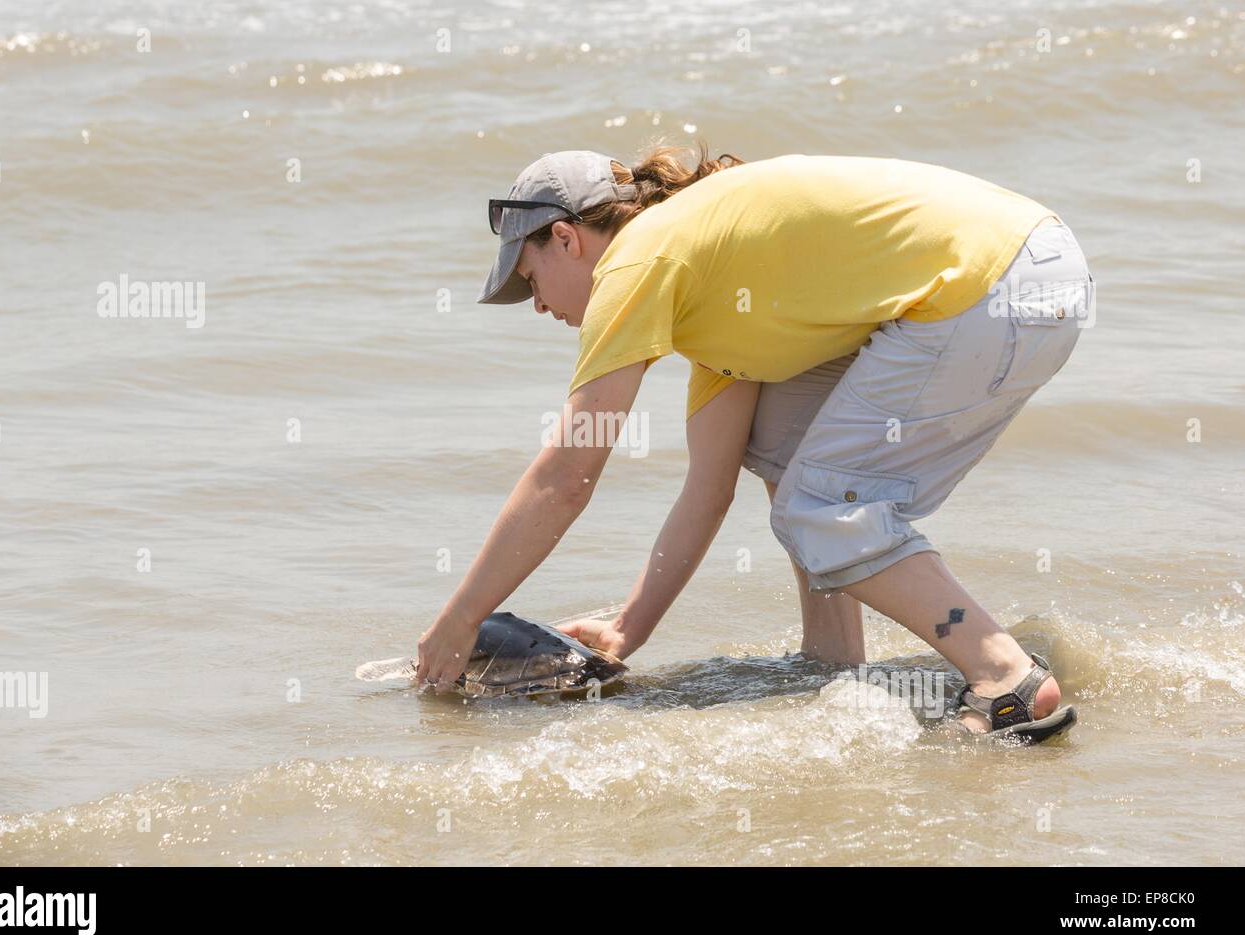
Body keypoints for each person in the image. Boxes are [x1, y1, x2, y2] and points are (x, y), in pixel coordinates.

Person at [416, 145, 1093, 741]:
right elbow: (708, 490)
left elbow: (567, 476)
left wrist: (461, 618)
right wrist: (629, 628)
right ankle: (833, 658)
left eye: (529, 279)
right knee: (780, 452)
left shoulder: (637, 260)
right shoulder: (710, 289)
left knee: (819, 504)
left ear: (566, 238)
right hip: (1035, 264)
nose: (536, 305)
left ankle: (1006, 679)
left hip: (995, 284)